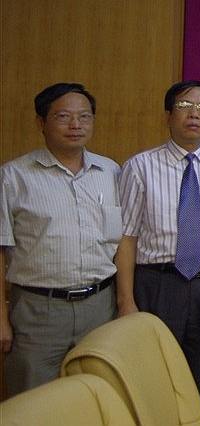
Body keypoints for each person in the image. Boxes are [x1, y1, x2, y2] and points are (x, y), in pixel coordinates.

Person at [116, 80, 200, 423]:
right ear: (168, 115)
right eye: (184, 106)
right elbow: (126, 238)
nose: (194, 114)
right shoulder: (140, 167)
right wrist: (126, 301)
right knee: (153, 377)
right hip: (157, 285)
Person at [0, 83, 120, 396]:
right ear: (41, 122)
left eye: (85, 116)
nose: (75, 125)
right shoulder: (13, 177)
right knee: (32, 402)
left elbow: (121, 242)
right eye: (63, 116)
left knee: (96, 398)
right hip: (38, 311)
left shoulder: (111, 172)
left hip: (100, 306)